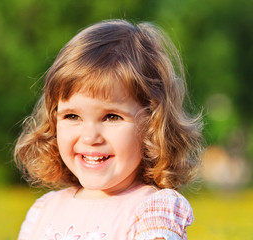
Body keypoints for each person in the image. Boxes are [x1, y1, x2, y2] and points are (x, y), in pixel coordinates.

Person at [14, 19, 202, 240]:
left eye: (111, 117)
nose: (90, 137)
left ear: (153, 124)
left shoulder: (151, 213)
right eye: (72, 116)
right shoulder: (43, 211)